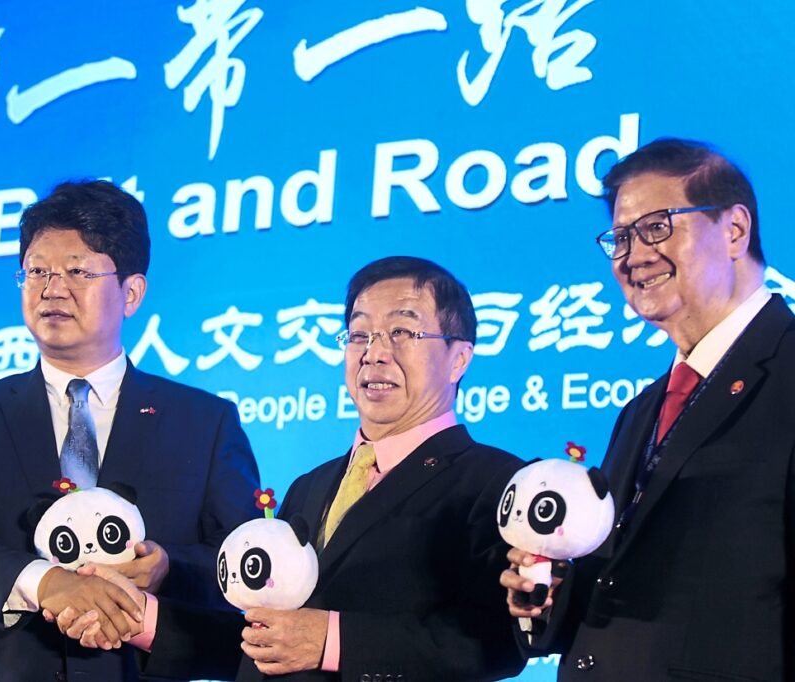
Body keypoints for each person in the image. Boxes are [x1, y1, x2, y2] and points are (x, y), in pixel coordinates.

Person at [58, 256, 526, 681]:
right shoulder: (312, 485)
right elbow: (263, 643)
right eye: (359, 334)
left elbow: (496, 642)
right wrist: (144, 618)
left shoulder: (494, 482)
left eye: (402, 333)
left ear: (459, 358)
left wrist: (332, 642)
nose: (374, 352)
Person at [0, 180, 260, 682]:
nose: (53, 288)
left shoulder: (205, 421)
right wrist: (46, 582)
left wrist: (167, 568)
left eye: (77, 271)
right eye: (38, 271)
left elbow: (243, 558)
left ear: (131, 292)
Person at [502, 138, 795, 680]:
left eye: (658, 226)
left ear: (734, 230)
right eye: (620, 237)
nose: (633, 255)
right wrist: (550, 597)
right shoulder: (642, 410)